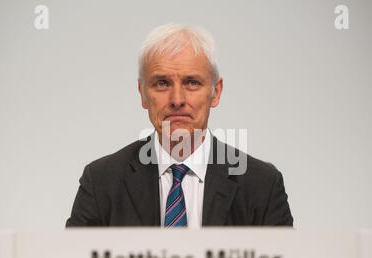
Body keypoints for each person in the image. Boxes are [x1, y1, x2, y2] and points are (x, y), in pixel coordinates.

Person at [66, 23, 293, 228]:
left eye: (192, 82)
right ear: (143, 94)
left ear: (216, 92)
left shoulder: (262, 185)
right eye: (162, 83)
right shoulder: (101, 182)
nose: (177, 99)